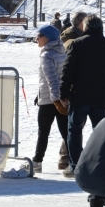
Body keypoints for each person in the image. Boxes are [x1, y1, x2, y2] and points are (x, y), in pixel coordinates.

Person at [59, 14, 105, 178]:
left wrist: (63, 93)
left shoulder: (78, 44)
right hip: (101, 98)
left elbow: (68, 71)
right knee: (99, 133)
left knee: (75, 131)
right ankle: (98, 164)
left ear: (85, 27)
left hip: (79, 96)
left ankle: (76, 166)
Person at [32, 25, 68, 173]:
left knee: (43, 132)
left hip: (50, 100)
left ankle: (37, 162)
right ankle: (74, 161)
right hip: (61, 98)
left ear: (47, 38)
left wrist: (55, 99)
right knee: (66, 133)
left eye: (39, 36)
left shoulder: (46, 55)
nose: (37, 39)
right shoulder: (63, 52)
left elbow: (51, 79)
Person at [56, 11, 87, 169]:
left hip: (72, 86)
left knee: (75, 124)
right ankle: (66, 157)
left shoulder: (72, 36)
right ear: (81, 22)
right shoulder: (70, 38)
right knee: (74, 125)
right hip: (72, 87)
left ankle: (66, 156)